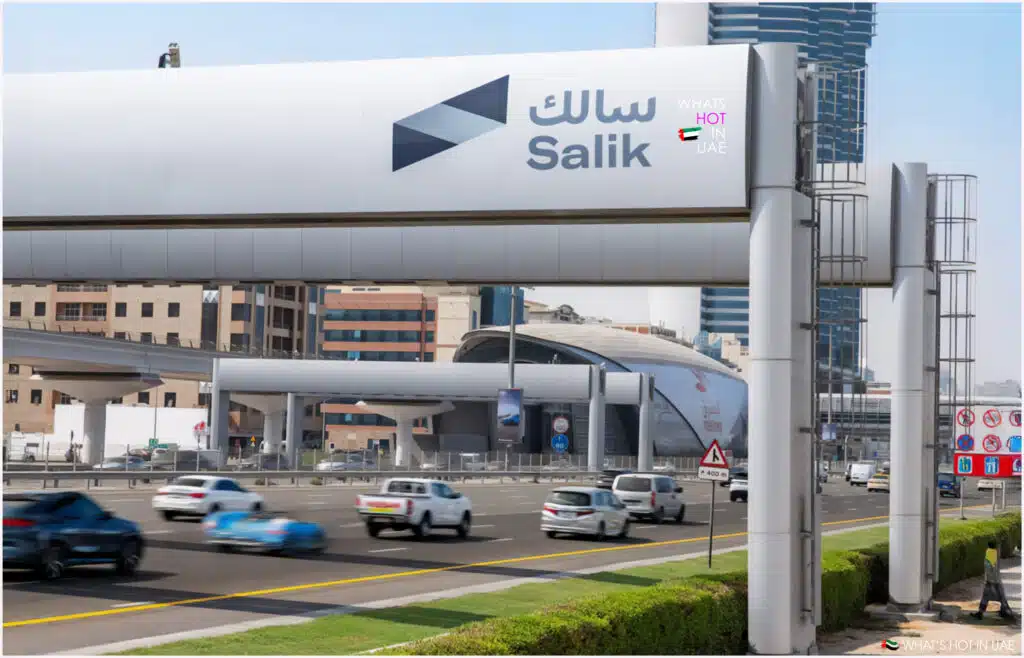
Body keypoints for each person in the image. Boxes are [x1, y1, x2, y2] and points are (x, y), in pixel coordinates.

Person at [970, 540, 1017, 621]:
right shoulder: (995, 552)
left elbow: (990, 568)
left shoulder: (990, 553)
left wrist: (989, 580)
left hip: (992, 581)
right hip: (995, 580)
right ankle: (1004, 611)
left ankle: (982, 613)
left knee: (991, 596)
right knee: (996, 596)